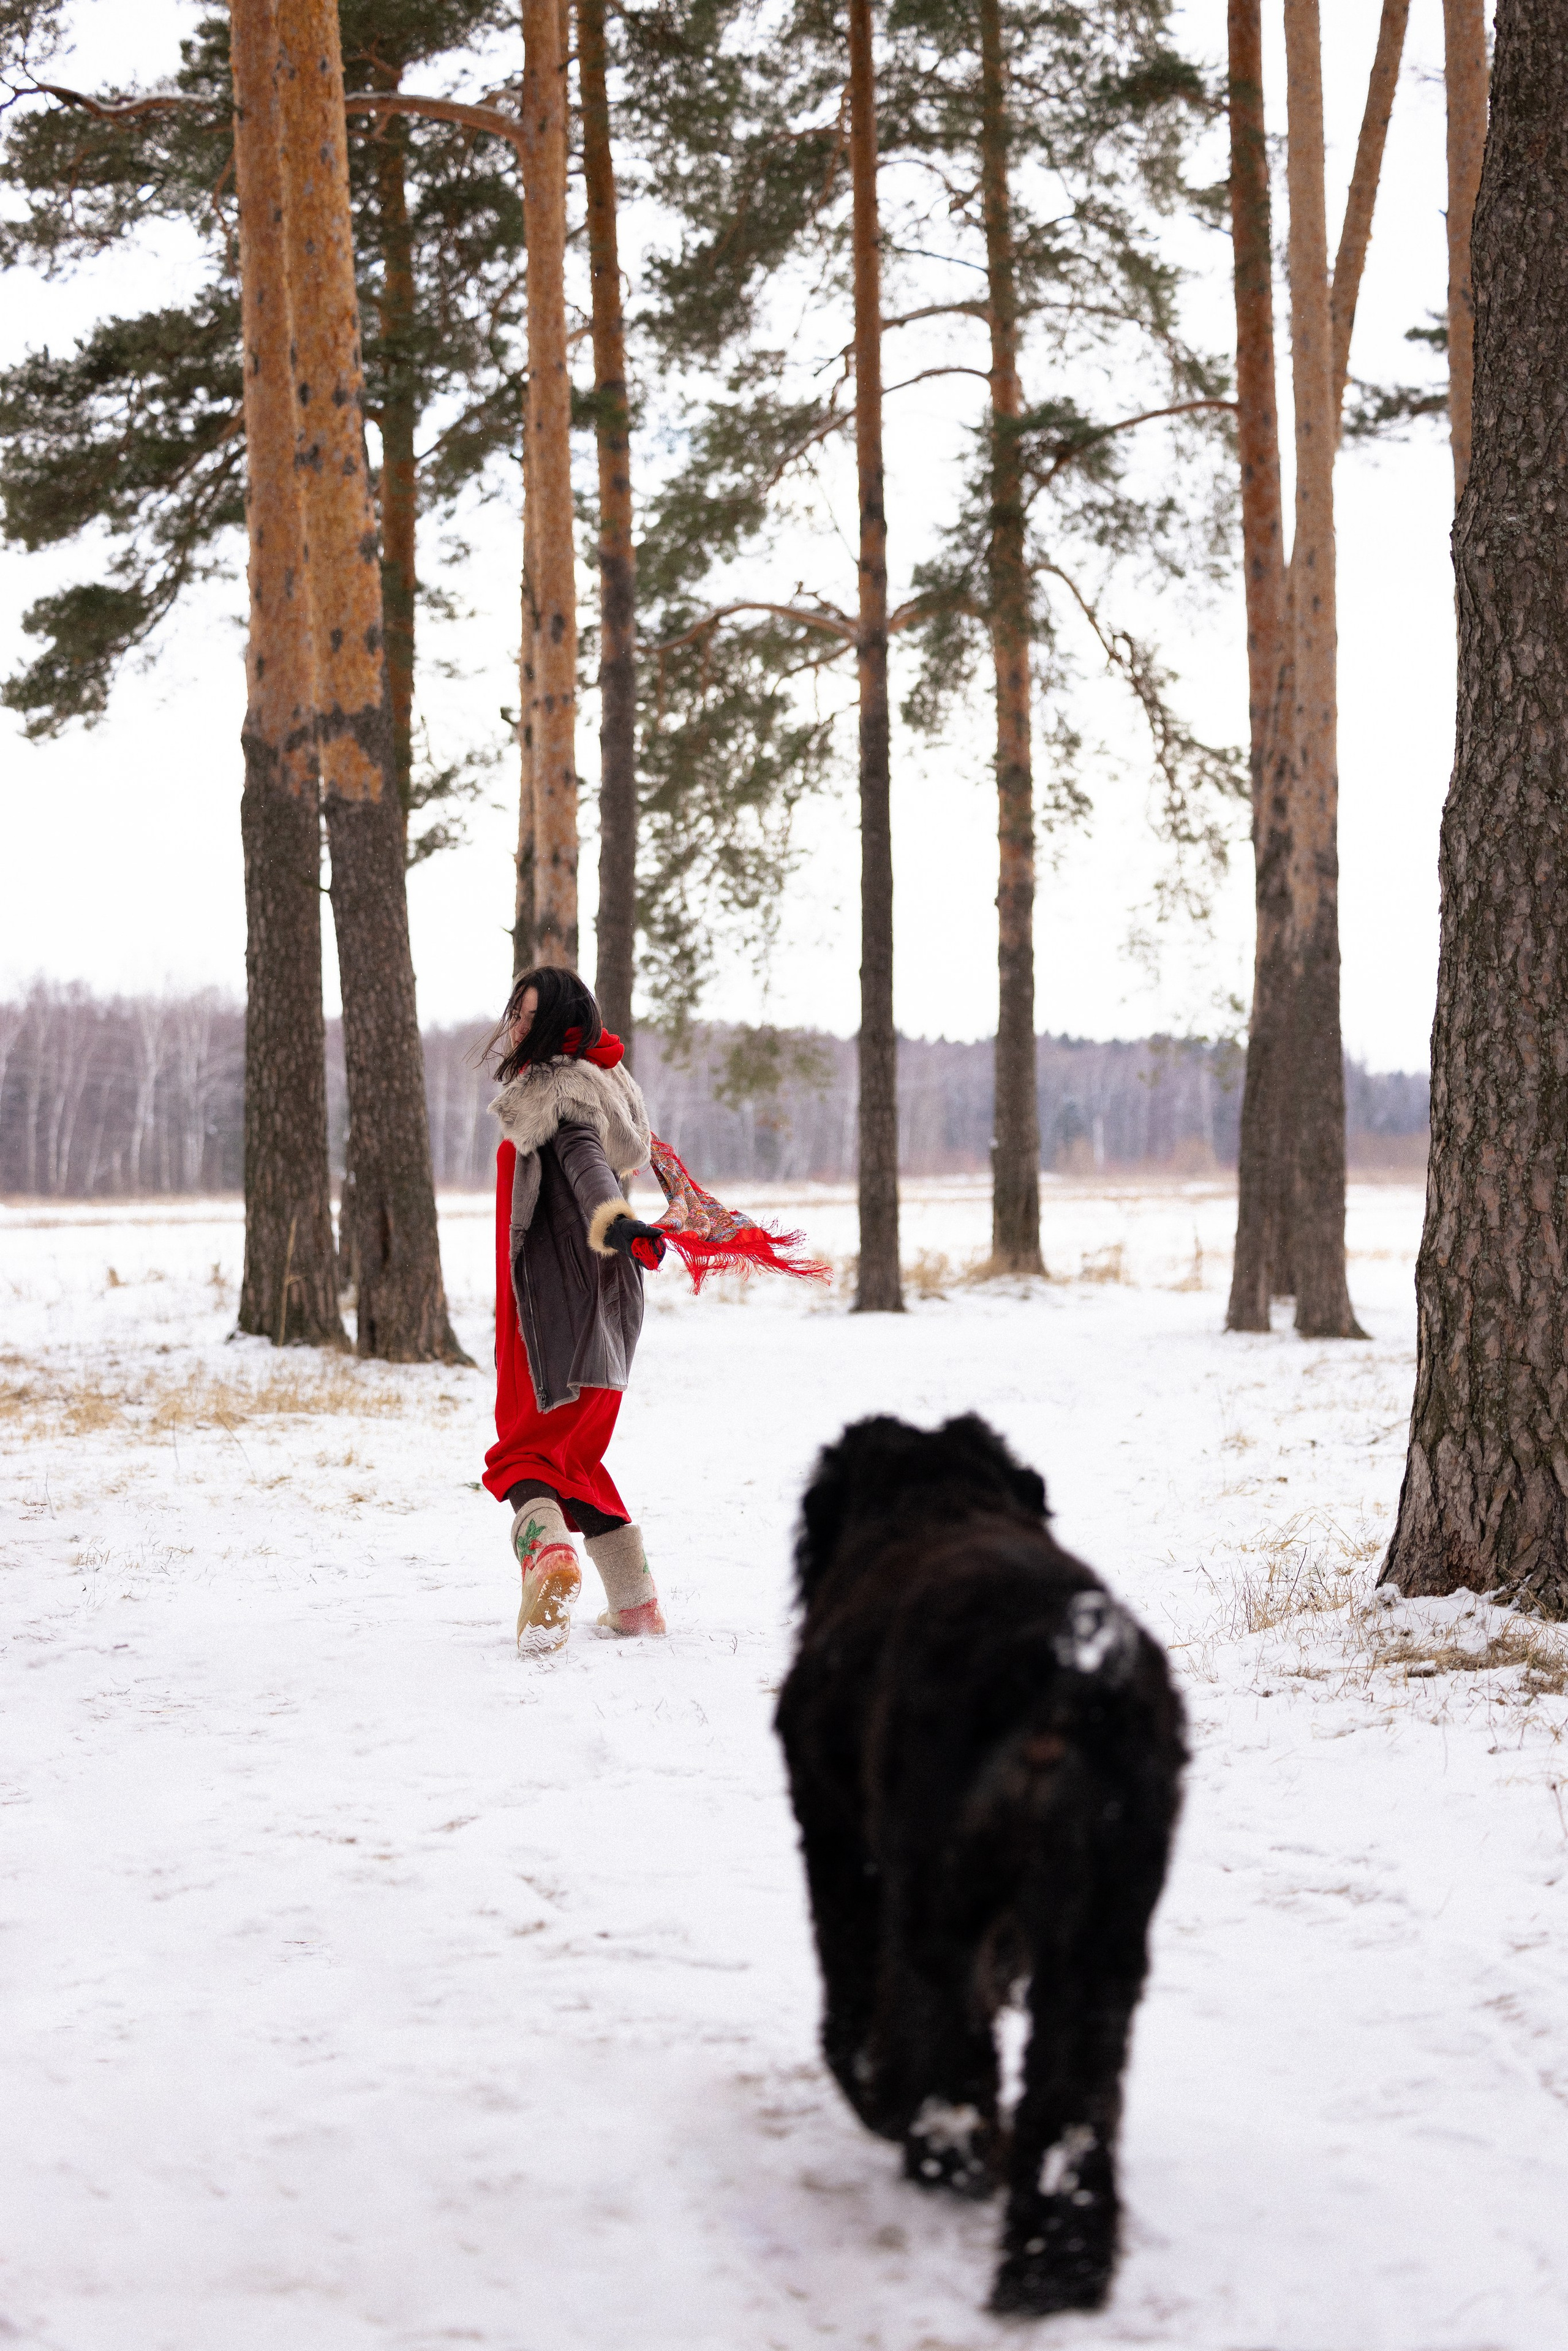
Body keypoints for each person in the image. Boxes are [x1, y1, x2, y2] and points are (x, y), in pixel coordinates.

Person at [482, 966, 671, 1655]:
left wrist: (617, 1223)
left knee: (522, 1454)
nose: (518, 1028)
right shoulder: (604, 1083)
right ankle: (636, 1604)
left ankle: (548, 1559)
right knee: (576, 1458)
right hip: (606, 1307)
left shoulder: (559, 1091)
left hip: (552, 1313)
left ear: (565, 1025)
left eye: (533, 1017)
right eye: (517, 1013)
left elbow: (587, 1166)